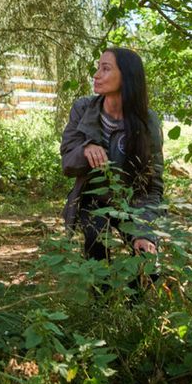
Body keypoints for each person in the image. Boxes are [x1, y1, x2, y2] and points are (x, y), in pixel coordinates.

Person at [59, 47, 164, 270]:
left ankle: (136, 303)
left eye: (105, 69)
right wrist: (86, 149)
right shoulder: (83, 109)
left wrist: (144, 232)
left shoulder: (148, 121)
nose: (96, 75)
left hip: (133, 203)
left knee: (149, 263)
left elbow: (153, 186)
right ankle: (101, 301)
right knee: (96, 239)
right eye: (98, 68)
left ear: (126, 76)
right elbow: (67, 164)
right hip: (92, 201)